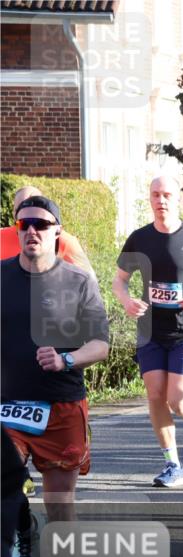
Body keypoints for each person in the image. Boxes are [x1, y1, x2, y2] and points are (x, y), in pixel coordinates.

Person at [2, 195, 110, 523]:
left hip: (60, 407)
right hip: (7, 404)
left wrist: (66, 359)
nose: (32, 230)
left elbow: (100, 345)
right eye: (24, 224)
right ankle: (18, 521)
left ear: (57, 231)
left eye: (42, 224)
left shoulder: (78, 282)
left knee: (60, 507)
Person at [113, 175, 183, 488]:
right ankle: (173, 465)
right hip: (149, 331)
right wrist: (126, 301)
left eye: (167, 195)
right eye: (156, 195)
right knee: (156, 396)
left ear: (178, 199)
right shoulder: (139, 238)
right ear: (150, 199)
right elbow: (119, 280)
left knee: (179, 401)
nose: (161, 201)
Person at [1, 186, 95, 278]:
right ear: (14, 213)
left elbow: (88, 279)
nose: (27, 213)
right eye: (20, 209)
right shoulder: (2, 237)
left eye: (33, 207)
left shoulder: (64, 241)